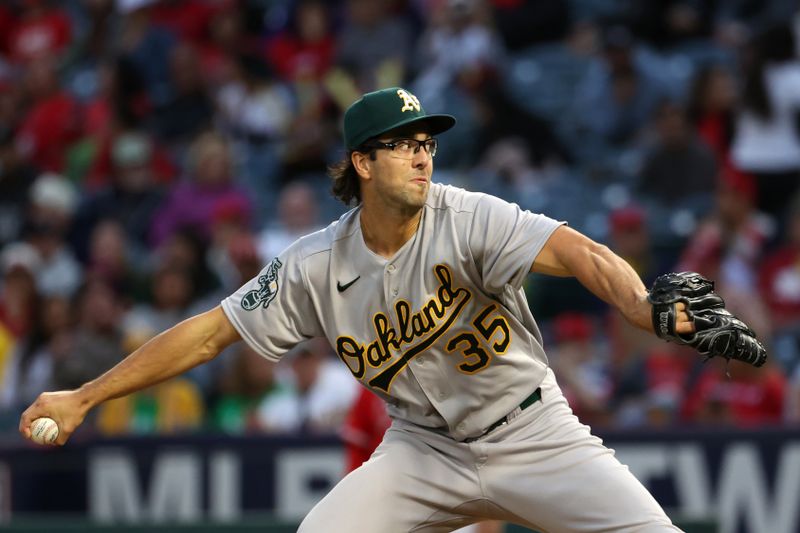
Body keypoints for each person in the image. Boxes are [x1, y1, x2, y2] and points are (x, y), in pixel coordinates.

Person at [21, 87, 758, 531]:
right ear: (362, 164)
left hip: (533, 430)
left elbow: (576, 252)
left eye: (425, 143)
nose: (422, 156)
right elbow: (211, 333)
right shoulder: (315, 263)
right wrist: (85, 395)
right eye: (402, 145)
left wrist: (639, 305)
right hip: (425, 449)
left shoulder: (465, 214)